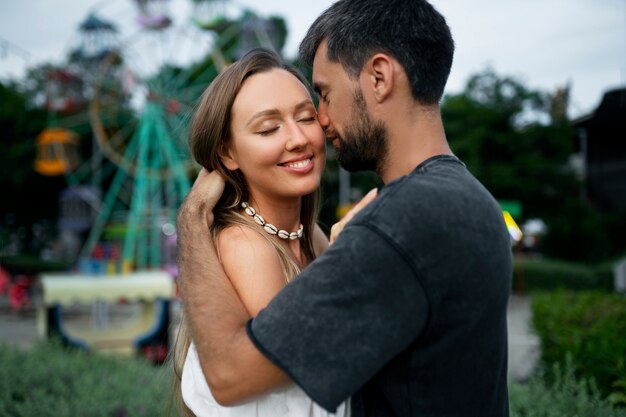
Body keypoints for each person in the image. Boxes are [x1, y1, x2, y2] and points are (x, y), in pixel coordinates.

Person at [176, 0, 513, 416]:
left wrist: (191, 219)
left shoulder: (396, 225)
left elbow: (231, 373)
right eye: (268, 127)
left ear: (379, 77)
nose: (319, 119)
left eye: (323, 95)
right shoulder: (469, 196)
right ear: (228, 151)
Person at [171, 48, 350, 417]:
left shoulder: (308, 235)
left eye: (306, 116)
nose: (298, 138)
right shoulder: (246, 246)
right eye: (269, 128)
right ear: (227, 153)